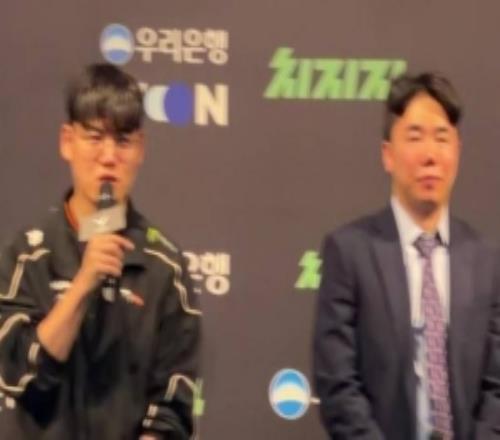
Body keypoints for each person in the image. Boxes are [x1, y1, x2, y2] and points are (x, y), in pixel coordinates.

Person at [0, 63, 201, 439]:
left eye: (123, 141)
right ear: (67, 142)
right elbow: (20, 380)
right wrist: (83, 284)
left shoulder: (165, 267)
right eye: (94, 138)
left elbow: (173, 408)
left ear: (140, 149)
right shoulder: (26, 256)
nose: (109, 157)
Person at [313, 72, 500, 439]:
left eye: (441, 138)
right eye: (415, 137)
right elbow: (338, 384)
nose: (430, 155)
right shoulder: (349, 252)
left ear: (457, 152)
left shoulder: (486, 260)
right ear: (388, 154)